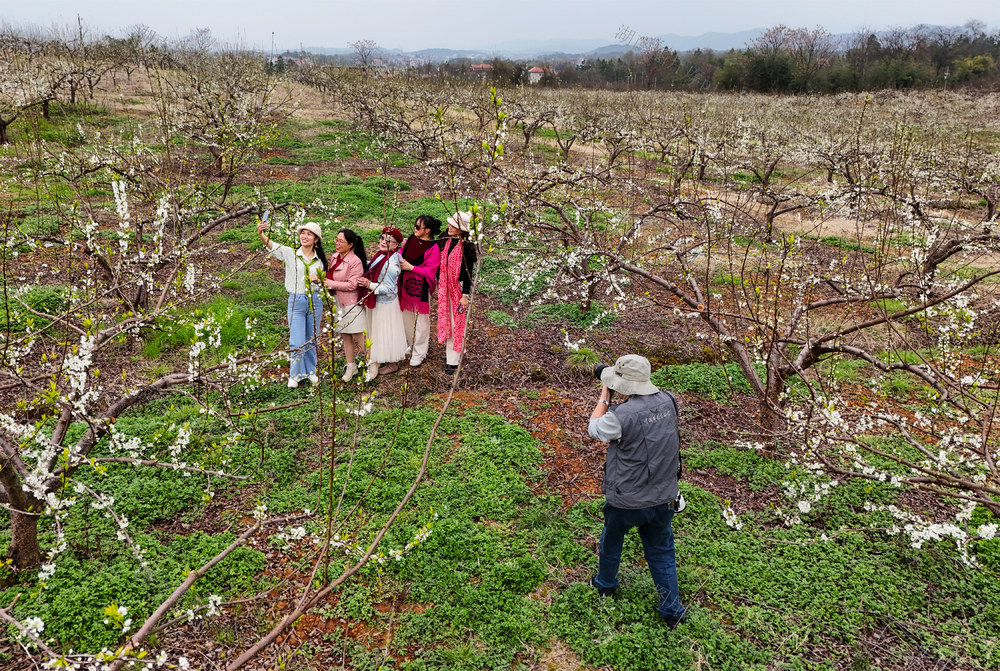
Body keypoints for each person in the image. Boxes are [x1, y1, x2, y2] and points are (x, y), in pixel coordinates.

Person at [588, 354, 686, 629]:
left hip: (626, 500)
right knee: (662, 551)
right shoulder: (669, 401)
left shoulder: (620, 416)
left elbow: (594, 428)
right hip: (664, 496)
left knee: (612, 539)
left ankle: (606, 585)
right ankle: (672, 611)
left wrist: (604, 397)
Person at [257, 219, 326, 388]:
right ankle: (295, 374)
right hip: (296, 300)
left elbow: (325, 283)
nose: (305, 236)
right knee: (296, 340)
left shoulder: (320, 261)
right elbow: (272, 246)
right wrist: (260, 233)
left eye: (309, 234)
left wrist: (318, 280)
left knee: (312, 338)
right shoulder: (290, 253)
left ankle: (311, 371)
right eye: (303, 233)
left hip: (315, 301)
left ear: (316, 239)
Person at [358, 226, 407, 381]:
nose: (383, 242)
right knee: (379, 331)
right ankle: (380, 359)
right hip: (378, 300)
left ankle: (391, 363)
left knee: (385, 332)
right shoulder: (382, 255)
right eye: (382, 238)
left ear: (396, 245)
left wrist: (368, 284)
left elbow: (389, 288)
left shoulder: (391, 264)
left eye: (389, 240)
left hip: (385, 303)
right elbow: (372, 266)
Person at [398, 215, 442, 367]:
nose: (415, 229)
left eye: (418, 227)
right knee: (407, 319)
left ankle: (420, 352)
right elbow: (401, 254)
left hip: (420, 290)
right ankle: (411, 344)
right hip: (405, 286)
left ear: (428, 230)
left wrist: (411, 268)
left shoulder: (433, 248)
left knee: (421, 322)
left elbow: (430, 271)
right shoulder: (411, 239)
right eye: (415, 226)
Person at [437, 211, 477, 375]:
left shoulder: (466, 246)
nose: (450, 227)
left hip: (458, 288)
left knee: (457, 322)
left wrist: (465, 295)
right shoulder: (445, 241)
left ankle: (452, 361)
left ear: (462, 229)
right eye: (450, 224)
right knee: (447, 319)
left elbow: (469, 273)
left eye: (454, 225)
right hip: (445, 287)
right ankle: (454, 353)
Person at [324, 228, 367, 382]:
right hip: (338, 302)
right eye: (336, 239)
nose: (337, 243)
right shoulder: (335, 257)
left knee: (358, 335)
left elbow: (352, 285)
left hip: (352, 303)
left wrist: (330, 283)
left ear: (350, 245)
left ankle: (371, 362)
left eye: (341, 241)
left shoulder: (355, 261)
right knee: (345, 335)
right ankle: (351, 365)